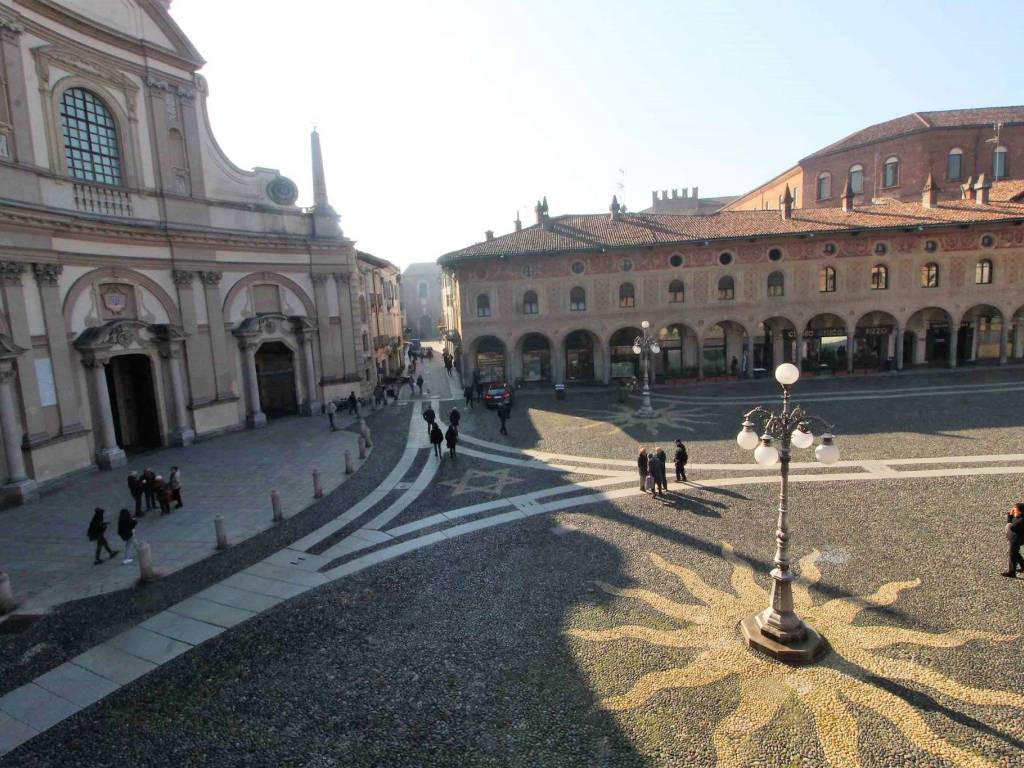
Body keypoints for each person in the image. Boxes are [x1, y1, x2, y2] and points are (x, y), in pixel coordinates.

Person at [1003, 502, 1024, 577]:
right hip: (1018, 538)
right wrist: (1013, 515)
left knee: (1012, 554)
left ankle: (1012, 572)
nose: (1013, 511)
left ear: (1020, 512)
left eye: (1015, 510)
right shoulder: (1021, 517)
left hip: (1017, 539)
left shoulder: (1021, 520)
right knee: (1015, 552)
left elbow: (1012, 527)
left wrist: (1012, 517)